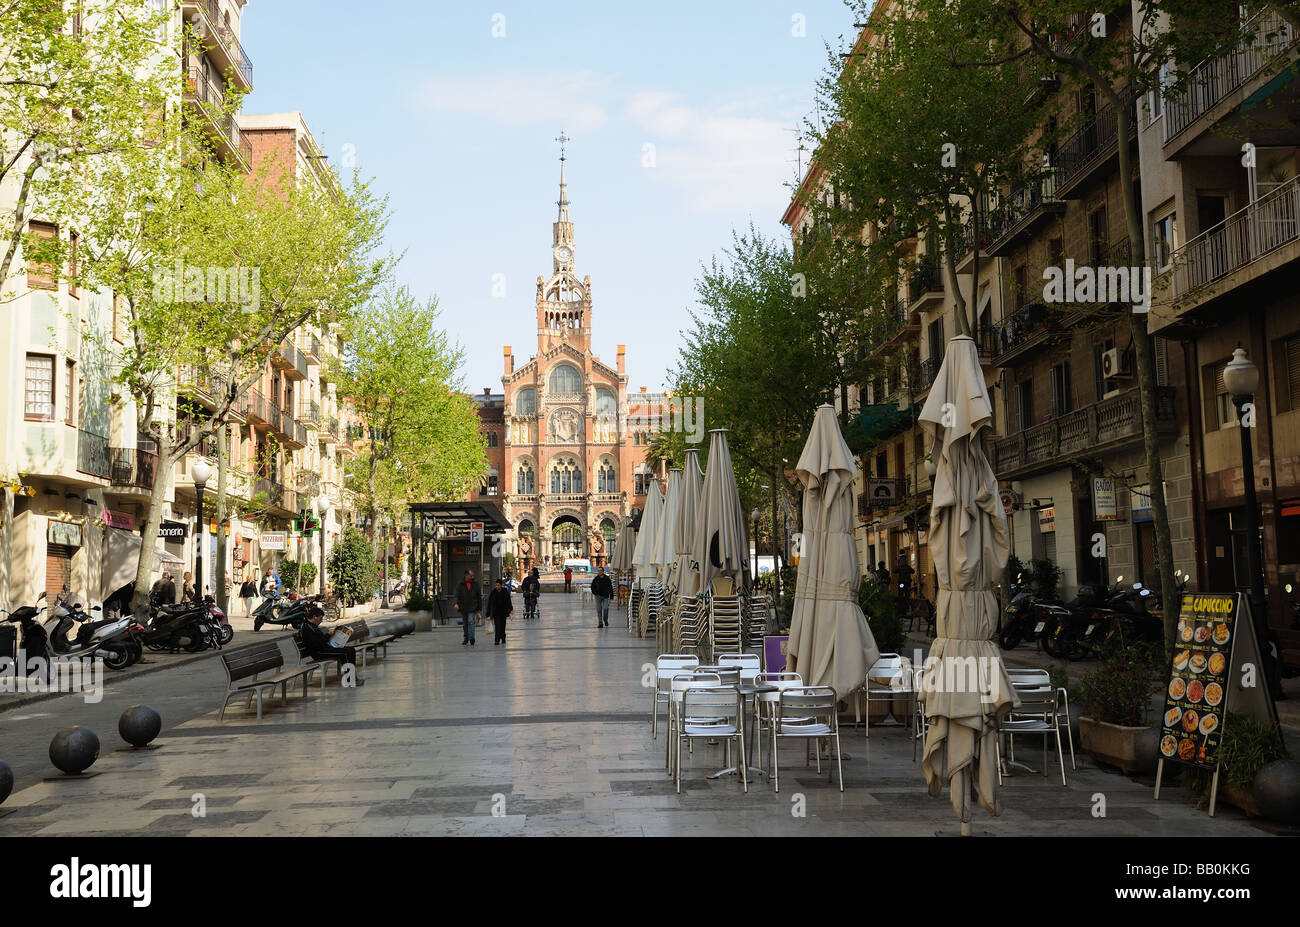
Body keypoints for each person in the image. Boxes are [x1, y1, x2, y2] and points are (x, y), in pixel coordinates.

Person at [298, 604, 364, 686]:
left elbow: (320, 640)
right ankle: (351, 679)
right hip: (319, 652)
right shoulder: (307, 628)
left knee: (350, 650)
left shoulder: (311, 626)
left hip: (323, 649)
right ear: (314, 617)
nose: (321, 621)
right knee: (346, 652)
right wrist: (328, 635)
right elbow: (317, 643)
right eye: (320, 618)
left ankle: (351, 678)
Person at [454, 569, 482, 646]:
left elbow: (479, 597)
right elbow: (456, 595)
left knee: (471, 621)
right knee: (465, 624)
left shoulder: (476, 584)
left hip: (473, 607)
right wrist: (456, 603)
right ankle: (466, 638)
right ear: (466, 575)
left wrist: (479, 608)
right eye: (471, 575)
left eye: (473, 575)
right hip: (463, 607)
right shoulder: (460, 584)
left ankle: (472, 638)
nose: (473, 577)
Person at [486, 578, 513, 645]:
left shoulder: (505, 591)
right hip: (496, 612)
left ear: (501, 585)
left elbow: (508, 601)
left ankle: (503, 638)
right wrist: (488, 613)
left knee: (503, 626)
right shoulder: (493, 592)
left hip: (503, 612)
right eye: (496, 585)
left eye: (498, 585)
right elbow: (490, 603)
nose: (497, 586)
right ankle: (497, 640)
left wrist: (510, 610)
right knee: (497, 626)